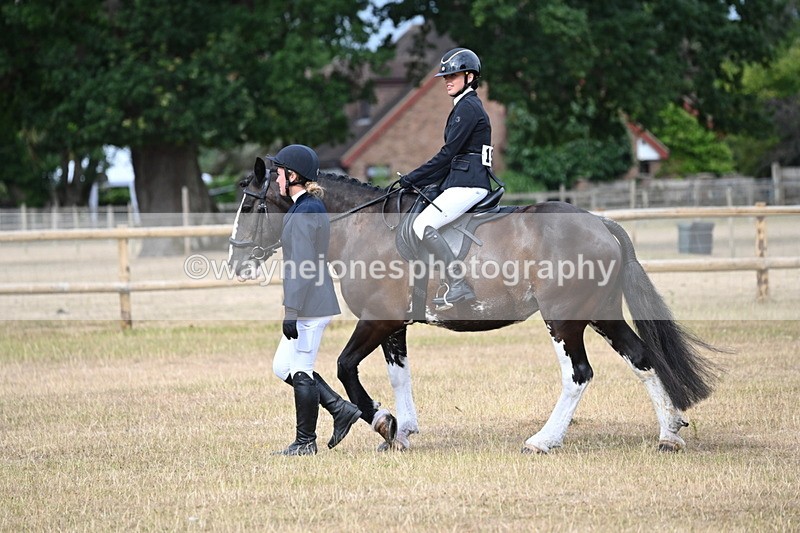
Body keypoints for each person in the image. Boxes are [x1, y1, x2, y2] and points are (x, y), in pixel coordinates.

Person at [268, 144, 361, 456]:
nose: (276, 178)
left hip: (310, 303)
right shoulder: (301, 207)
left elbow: (304, 265)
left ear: (292, 175)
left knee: (302, 369)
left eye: (279, 172)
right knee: (284, 366)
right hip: (308, 300)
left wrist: (291, 310)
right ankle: (339, 409)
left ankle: (306, 442)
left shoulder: (308, 210)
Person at [398, 47, 494, 308]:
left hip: (469, 184)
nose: (447, 81)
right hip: (462, 180)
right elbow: (451, 158)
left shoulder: (468, 108)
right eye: (445, 77)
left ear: (470, 77)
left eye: (454, 75)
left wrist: (411, 178)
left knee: (422, 224)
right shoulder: (465, 106)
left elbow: (448, 153)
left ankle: (458, 283)